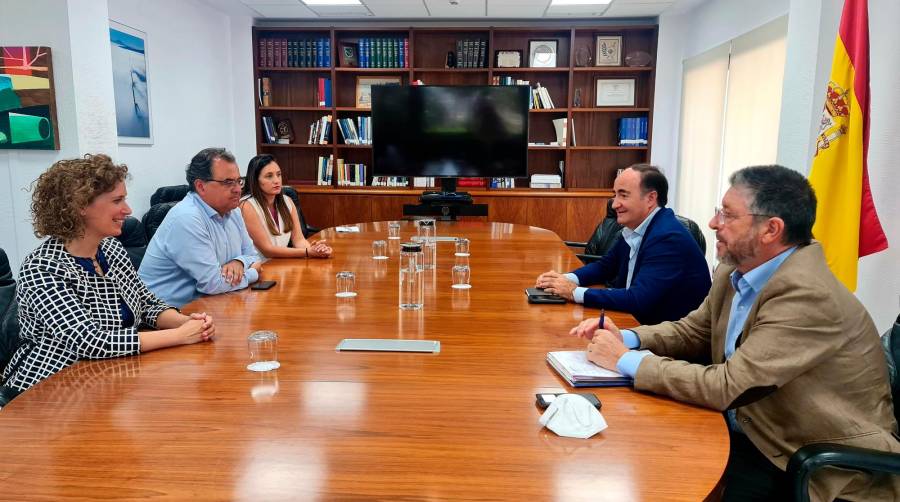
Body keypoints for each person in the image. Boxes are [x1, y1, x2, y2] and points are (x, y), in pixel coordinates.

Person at [572, 165, 900, 501]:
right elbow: (694, 330)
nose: (713, 224)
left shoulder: (807, 295)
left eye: (728, 216)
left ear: (771, 230)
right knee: (629, 453)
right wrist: (628, 338)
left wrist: (627, 360)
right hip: (755, 428)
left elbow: (728, 385)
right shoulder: (737, 267)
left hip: (812, 464)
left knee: (658, 478)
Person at [0, 155, 215, 406]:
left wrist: (189, 322)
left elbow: (146, 304)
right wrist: (179, 335)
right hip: (50, 393)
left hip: (109, 379)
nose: (128, 209)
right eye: (117, 200)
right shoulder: (42, 267)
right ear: (80, 205)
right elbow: (90, 341)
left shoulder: (112, 249)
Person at [536, 165, 710, 325]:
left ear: (650, 198)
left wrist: (574, 292)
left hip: (665, 340)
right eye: (615, 194)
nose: (614, 203)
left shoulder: (668, 238)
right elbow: (605, 266)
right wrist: (565, 279)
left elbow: (637, 299)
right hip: (635, 321)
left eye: (623, 195)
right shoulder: (636, 227)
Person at [139, 148, 263, 307]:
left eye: (239, 181)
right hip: (165, 316)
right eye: (228, 182)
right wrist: (253, 273)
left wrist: (238, 262)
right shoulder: (187, 218)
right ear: (201, 186)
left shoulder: (234, 212)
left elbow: (253, 256)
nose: (238, 189)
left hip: (211, 304)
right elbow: (214, 283)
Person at [239, 154, 332, 259]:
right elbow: (267, 250)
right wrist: (307, 252)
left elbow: (299, 240)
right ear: (255, 180)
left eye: (278, 175)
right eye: (269, 176)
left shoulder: (287, 201)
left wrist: (316, 250)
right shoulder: (246, 205)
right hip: (259, 269)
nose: (276, 180)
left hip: (282, 266)